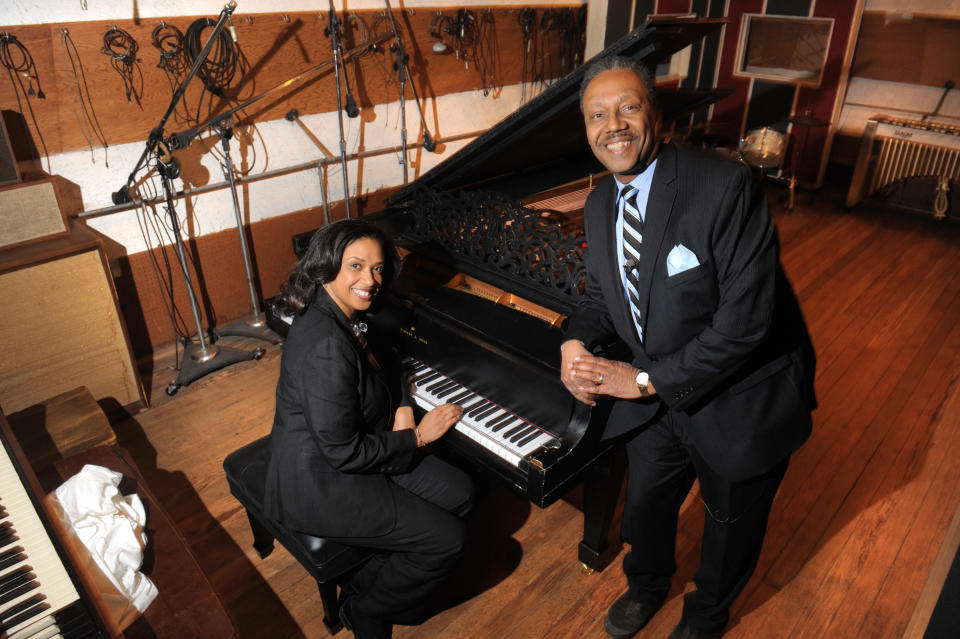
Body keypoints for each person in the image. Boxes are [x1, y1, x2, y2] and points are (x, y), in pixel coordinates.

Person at [560, 56, 817, 639]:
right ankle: (646, 585)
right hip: (656, 396)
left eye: (628, 107)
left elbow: (744, 327)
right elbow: (603, 294)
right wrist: (574, 339)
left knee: (730, 524)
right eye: (597, 115)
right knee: (647, 508)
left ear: (656, 113)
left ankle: (707, 613)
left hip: (737, 397)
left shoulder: (724, 186)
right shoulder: (601, 202)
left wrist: (643, 382)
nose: (614, 126)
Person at [262, 219, 474, 639]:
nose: (371, 280)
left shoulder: (339, 311)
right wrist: (417, 437)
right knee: (449, 539)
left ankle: (382, 580)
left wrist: (401, 407)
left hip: (348, 452)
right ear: (327, 265)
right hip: (321, 483)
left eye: (378, 269)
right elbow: (342, 452)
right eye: (356, 266)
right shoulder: (326, 344)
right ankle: (368, 609)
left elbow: (385, 362)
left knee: (462, 491)